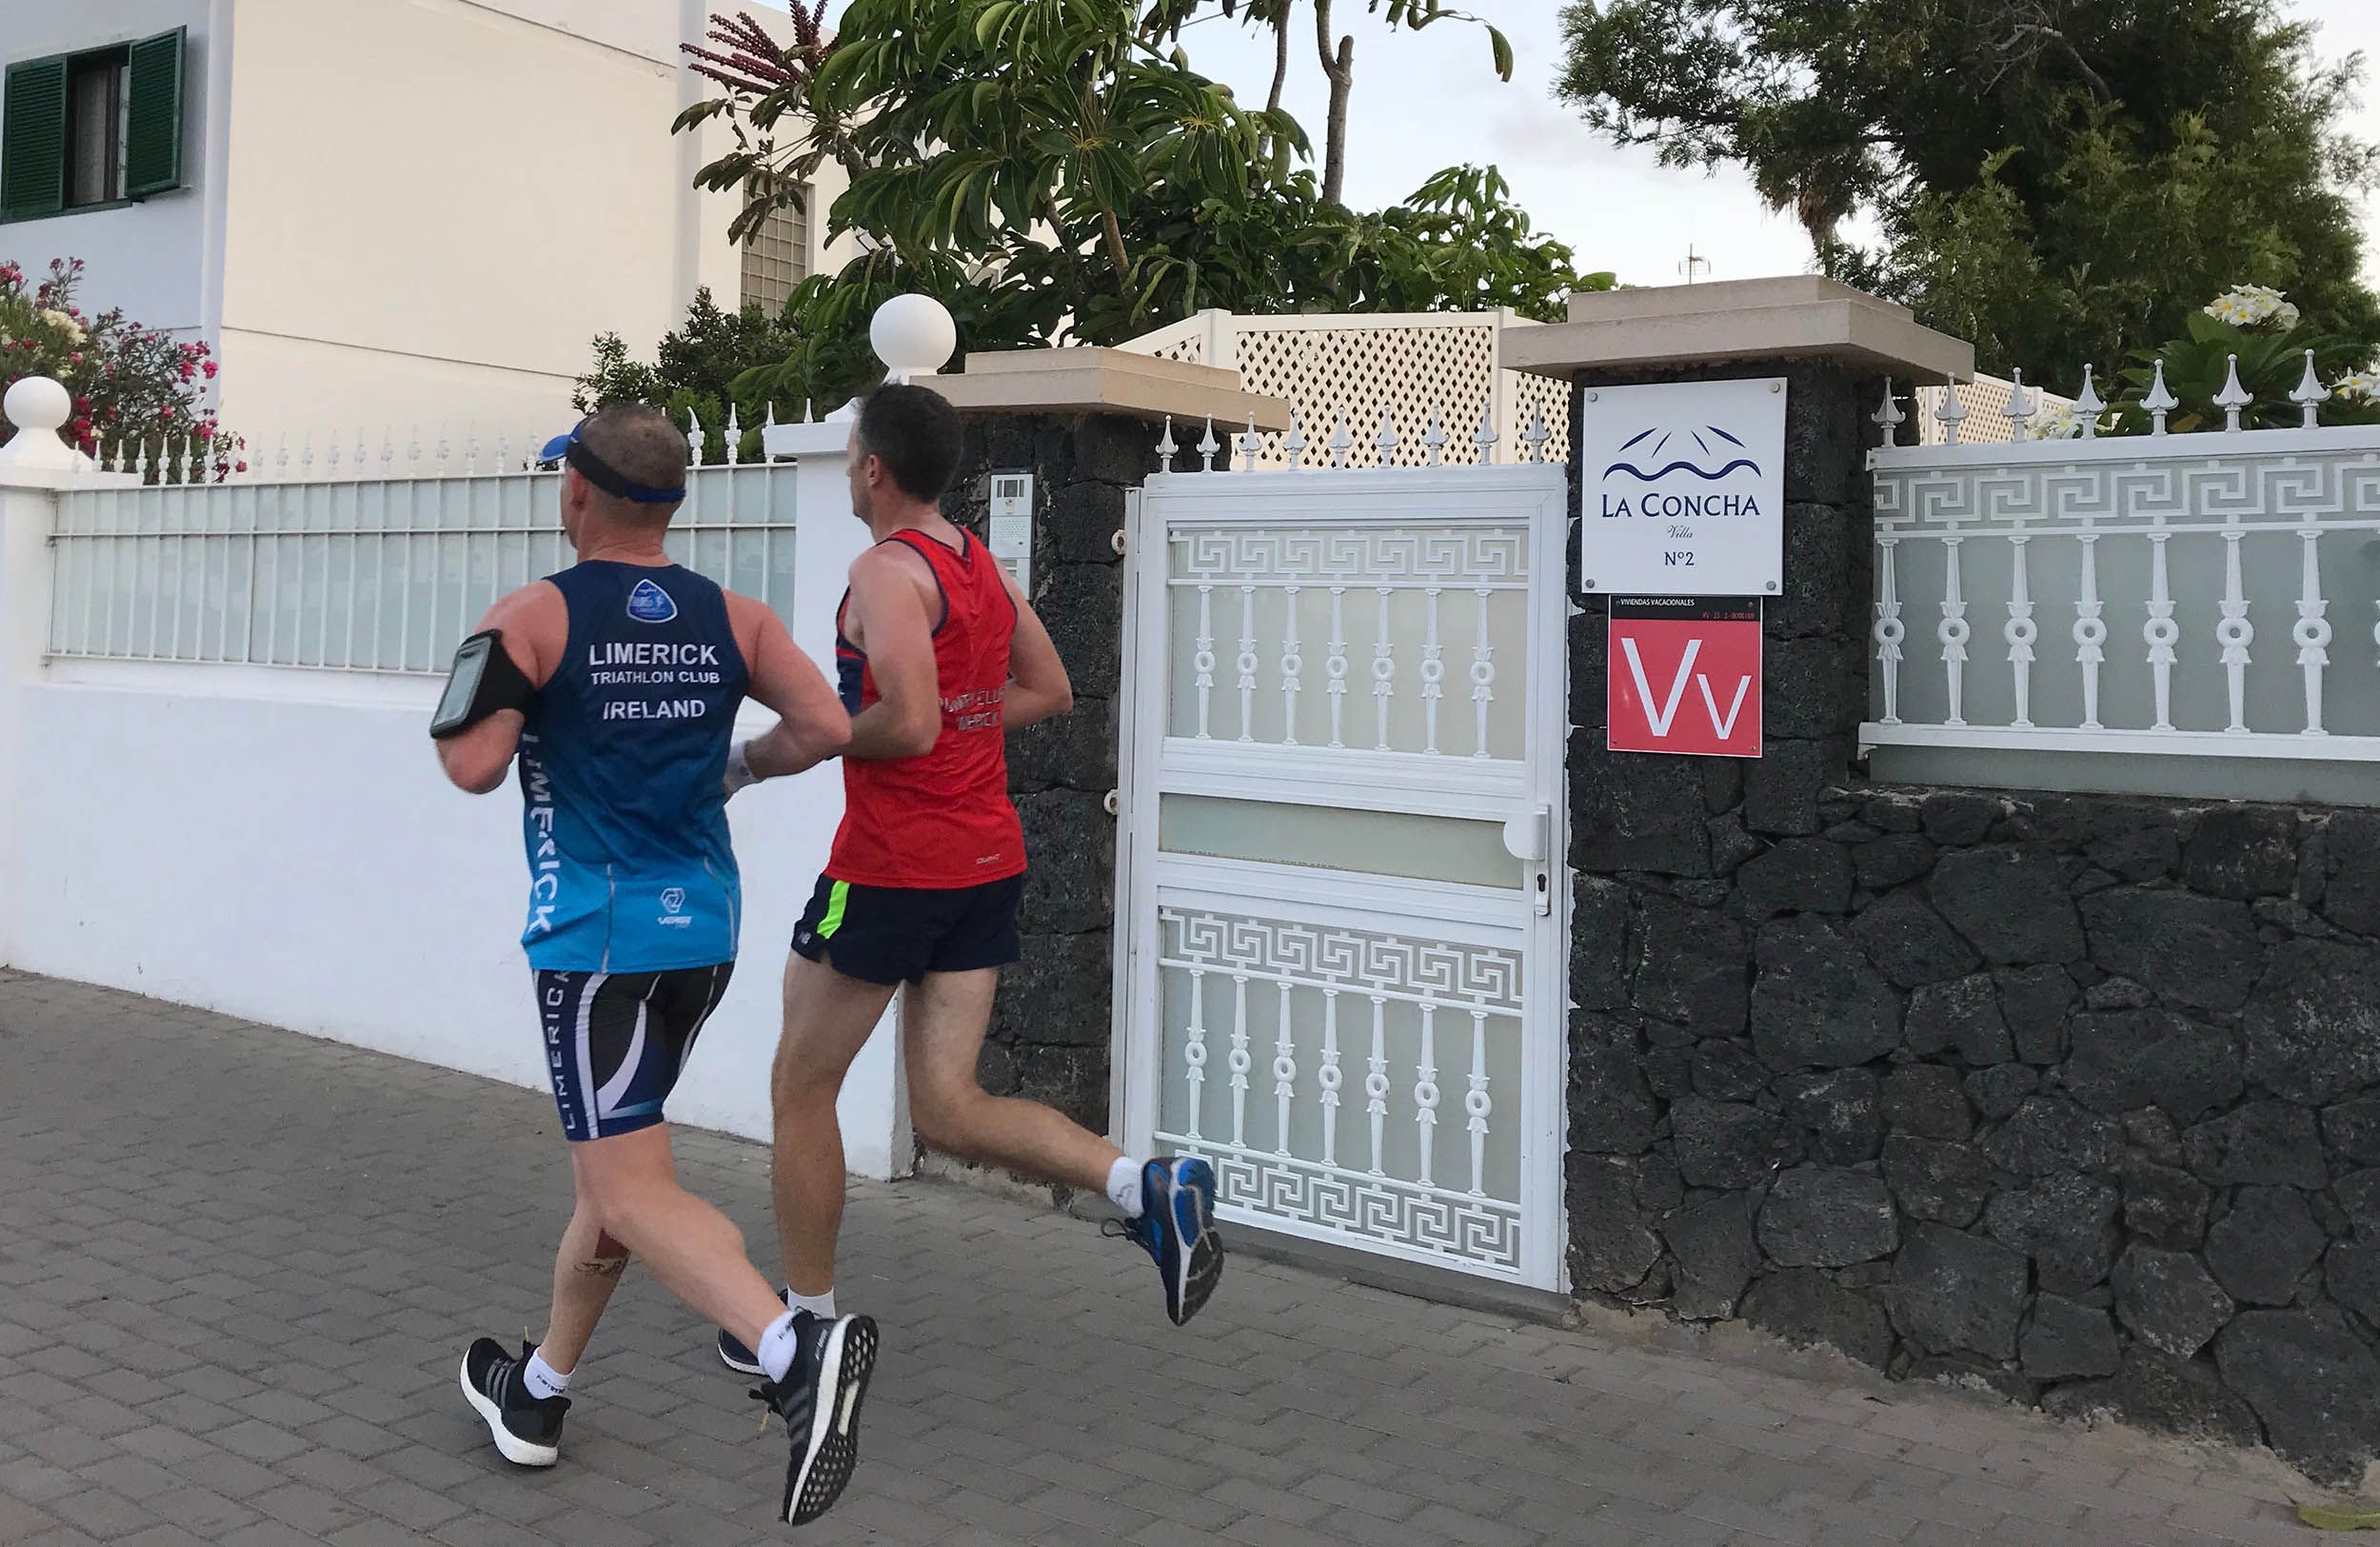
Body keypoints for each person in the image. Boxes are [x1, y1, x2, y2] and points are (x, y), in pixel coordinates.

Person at [717, 385, 1223, 1384]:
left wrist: (776, 753)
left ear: (872, 469)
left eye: (852, 449)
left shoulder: (884, 571)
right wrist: (958, 716)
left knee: (800, 1086)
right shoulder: (975, 564)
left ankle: (806, 1329)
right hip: (983, 861)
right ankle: (1143, 1185)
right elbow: (1047, 689)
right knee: (948, 1106)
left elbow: (903, 721)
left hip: (890, 866)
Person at [432, 403, 875, 1528]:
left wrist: (496, 686)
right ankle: (536, 1393)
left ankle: (789, 1348)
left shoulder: (535, 612)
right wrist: (737, 764)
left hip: (597, 943)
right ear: (669, 502)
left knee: (628, 1180)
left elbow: (472, 766)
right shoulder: (734, 614)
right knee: (614, 1175)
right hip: (703, 934)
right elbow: (826, 724)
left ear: (575, 492)